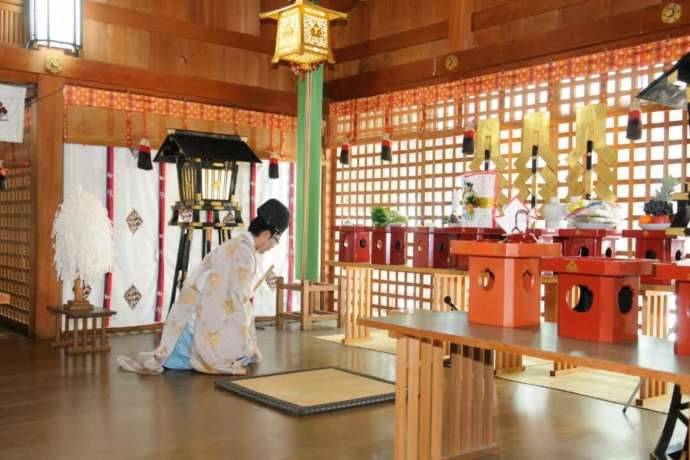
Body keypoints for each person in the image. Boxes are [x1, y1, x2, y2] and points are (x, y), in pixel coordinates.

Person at [117, 198, 290, 375]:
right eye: (275, 241)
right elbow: (235, 301)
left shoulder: (236, 244)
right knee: (242, 351)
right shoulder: (244, 254)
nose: (272, 247)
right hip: (200, 324)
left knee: (244, 345)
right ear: (267, 234)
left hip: (191, 316)